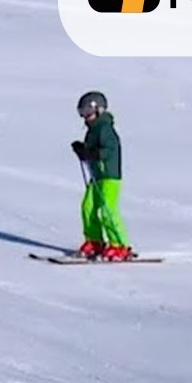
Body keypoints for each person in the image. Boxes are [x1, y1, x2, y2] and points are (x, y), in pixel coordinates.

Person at [71, 91, 132, 261]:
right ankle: (94, 241)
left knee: (107, 210)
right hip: (96, 176)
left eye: (87, 112)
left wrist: (91, 153)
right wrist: (82, 150)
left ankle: (120, 245)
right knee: (88, 208)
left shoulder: (105, 129)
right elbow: (91, 152)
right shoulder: (92, 130)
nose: (85, 117)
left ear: (99, 110)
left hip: (109, 176)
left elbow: (108, 150)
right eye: (82, 113)